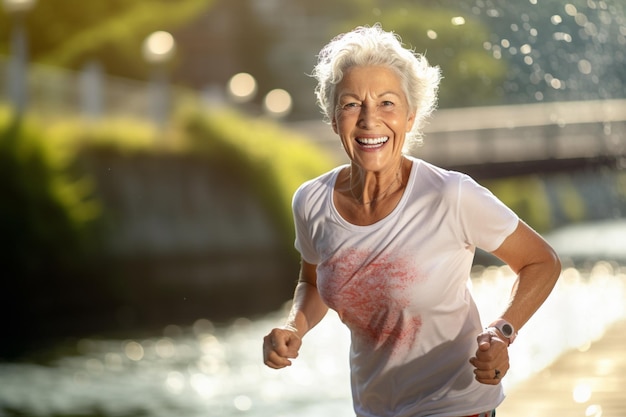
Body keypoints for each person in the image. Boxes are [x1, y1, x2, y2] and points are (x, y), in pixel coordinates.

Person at [262, 24, 561, 417]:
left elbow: (541, 261)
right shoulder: (312, 202)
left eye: (387, 103)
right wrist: (293, 327)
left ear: (410, 118)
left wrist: (501, 332)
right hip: (375, 408)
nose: (370, 119)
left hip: (456, 405)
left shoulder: (450, 195)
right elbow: (314, 282)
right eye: (352, 104)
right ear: (334, 119)